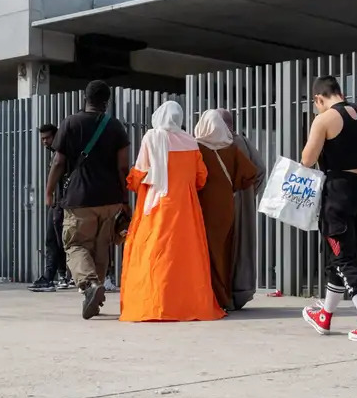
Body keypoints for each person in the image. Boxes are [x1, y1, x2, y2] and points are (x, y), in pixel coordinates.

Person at [119, 101, 225, 322]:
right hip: (186, 208)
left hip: (156, 207)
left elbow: (139, 173)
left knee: (153, 254)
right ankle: (186, 305)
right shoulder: (190, 141)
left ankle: (154, 304)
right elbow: (201, 177)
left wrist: (132, 183)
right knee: (186, 255)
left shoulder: (151, 137)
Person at [300, 76, 357, 342]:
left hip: (339, 193)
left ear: (318, 98)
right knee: (341, 256)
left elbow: (307, 159)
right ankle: (324, 316)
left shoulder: (324, 119)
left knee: (343, 259)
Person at [45, 80, 131, 320]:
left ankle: (89, 286)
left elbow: (58, 162)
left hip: (80, 198)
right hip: (111, 199)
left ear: (85, 98)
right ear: (107, 101)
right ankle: (94, 295)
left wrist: (49, 191)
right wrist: (125, 199)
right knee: (101, 248)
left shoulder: (71, 123)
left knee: (75, 245)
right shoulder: (115, 126)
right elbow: (123, 167)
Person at [195, 109, 260, 312]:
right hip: (229, 207)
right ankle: (228, 297)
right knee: (227, 252)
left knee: (206, 253)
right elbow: (256, 171)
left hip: (205, 209)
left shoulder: (196, 147)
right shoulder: (236, 145)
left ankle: (209, 297)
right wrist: (245, 194)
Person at [218, 109, 266, 311]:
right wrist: (248, 195)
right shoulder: (243, 142)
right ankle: (241, 291)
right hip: (243, 204)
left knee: (223, 249)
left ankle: (222, 295)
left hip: (220, 207)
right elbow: (260, 170)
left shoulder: (214, 144)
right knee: (242, 248)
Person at [29, 124, 73, 292]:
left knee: (59, 240)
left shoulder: (62, 155)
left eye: (48, 138)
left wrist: (50, 195)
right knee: (53, 239)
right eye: (42, 139)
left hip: (64, 203)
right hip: (59, 203)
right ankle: (55, 276)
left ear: (56, 136)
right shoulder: (57, 154)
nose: (45, 142)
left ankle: (55, 277)